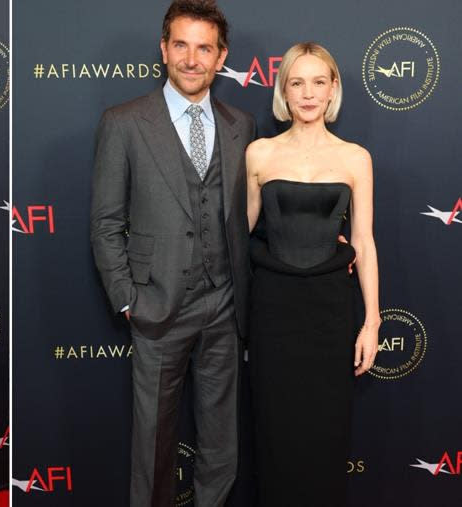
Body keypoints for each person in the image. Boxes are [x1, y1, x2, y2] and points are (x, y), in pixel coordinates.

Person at [90, 1, 255, 505]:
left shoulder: (241, 125)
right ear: (164, 50)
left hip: (225, 308)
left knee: (222, 445)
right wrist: (127, 297)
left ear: (220, 56)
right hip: (156, 308)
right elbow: (105, 221)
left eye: (204, 48)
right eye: (180, 45)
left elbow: (254, 212)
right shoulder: (124, 122)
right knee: (153, 445)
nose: (191, 58)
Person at [245, 42, 380, 506]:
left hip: (329, 312)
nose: (308, 93)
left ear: (333, 88)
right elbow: (238, 234)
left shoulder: (356, 158)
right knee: (275, 433)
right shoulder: (258, 154)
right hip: (272, 311)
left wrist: (372, 322)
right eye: (297, 82)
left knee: (325, 433)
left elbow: (362, 242)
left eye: (318, 81)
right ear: (284, 90)